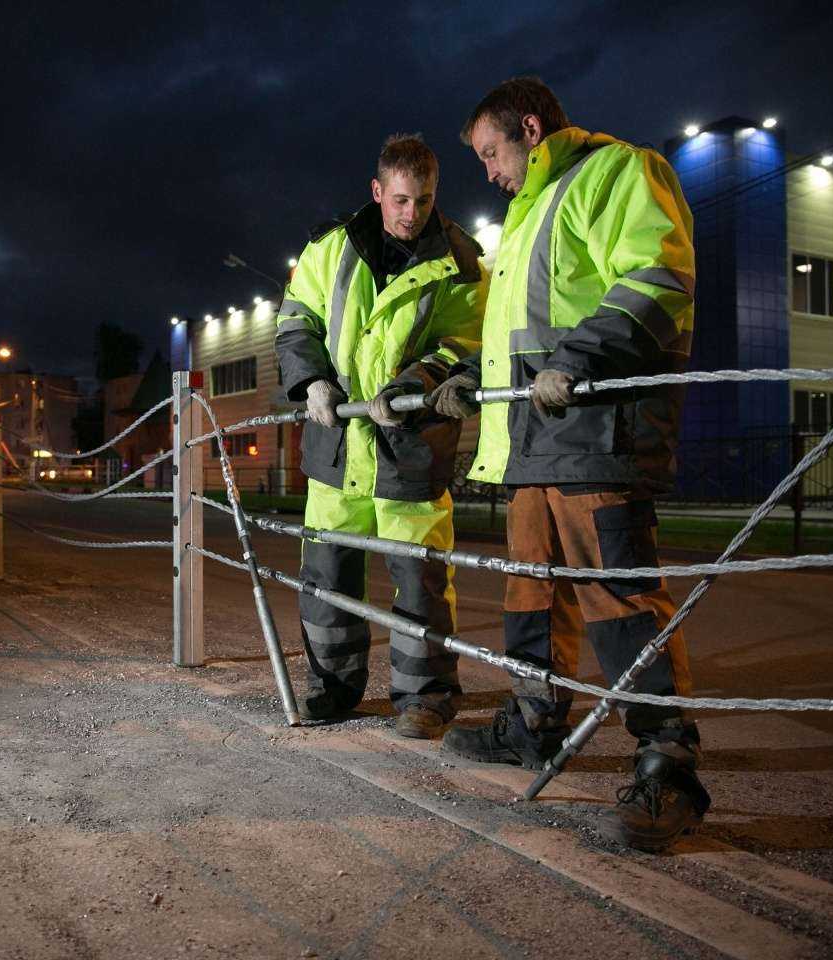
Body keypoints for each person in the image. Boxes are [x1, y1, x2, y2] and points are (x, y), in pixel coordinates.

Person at [428, 78, 708, 851]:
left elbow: (659, 278)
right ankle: (533, 720)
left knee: (616, 593)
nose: (488, 171)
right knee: (531, 589)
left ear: (528, 127)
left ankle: (667, 761)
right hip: (532, 438)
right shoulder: (523, 217)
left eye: (491, 152)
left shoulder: (620, 173)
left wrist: (579, 361)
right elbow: (510, 333)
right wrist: (468, 382)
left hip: (595, 430)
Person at [274, 134, 488, 739]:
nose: (411, 214)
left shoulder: (462, 261)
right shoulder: (329, 250)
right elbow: (296, 320)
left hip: (412, 446)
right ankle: (332, 689)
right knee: (326, 581)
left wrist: (418, 380)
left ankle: (425, 699)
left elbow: (468, 344)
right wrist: (310, 381)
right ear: (377, 191)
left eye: (422, 200)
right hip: (338, 445)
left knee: (420, 582)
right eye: (399, 200)